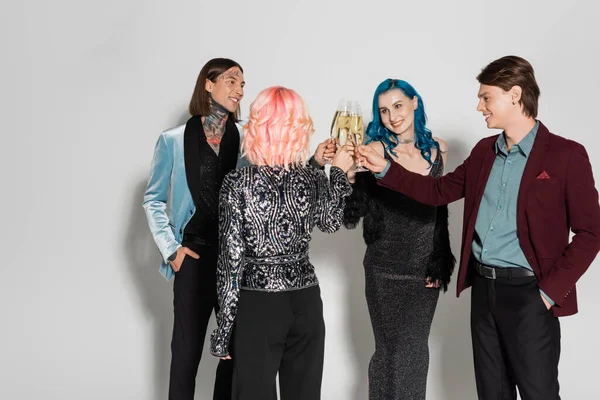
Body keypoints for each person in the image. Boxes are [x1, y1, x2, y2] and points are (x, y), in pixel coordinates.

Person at [357, 56, 600, 400]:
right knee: (492, 394)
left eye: (486, 97)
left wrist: (547, 294)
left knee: (538, 394)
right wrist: (385, 170)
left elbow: (591, 234)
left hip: (530, 294)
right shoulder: (485, 151)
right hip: (484, 293)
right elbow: (439, 192)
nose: (479, 106)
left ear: (514, 95)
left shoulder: (566, 155)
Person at [209, 86, 354, 400]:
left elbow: (229, 264)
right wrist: (338, 174)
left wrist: (223, 334)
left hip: (257, 304)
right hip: (305, 301)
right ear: (298, 129)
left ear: (257, 128)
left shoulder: (236, 183)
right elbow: (330, 223)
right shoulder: (312, 178)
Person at [343, 79, 455, 400]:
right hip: (384, 270)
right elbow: (353, 214)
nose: (392, 116)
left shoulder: (438, 149)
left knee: (414, 352)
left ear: (415, 103)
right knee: (390, 353)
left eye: (398, 106)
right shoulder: (375, 150)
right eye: (384, 110)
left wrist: (440, 259)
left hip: (424, 272)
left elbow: (440, 210)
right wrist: (351, 176)